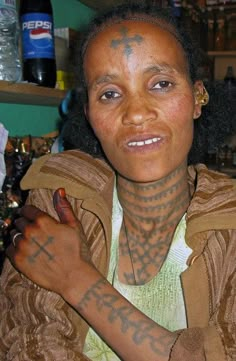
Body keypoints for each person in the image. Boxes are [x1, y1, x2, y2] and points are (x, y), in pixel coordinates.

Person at [1, 3, 236, 360]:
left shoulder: (229, 223)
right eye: (110, 93)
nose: (137, 113)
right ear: (89, 114)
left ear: (197, 98)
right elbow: (30, 343)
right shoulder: (63, 198)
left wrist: (75, 278)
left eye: (160, 84)